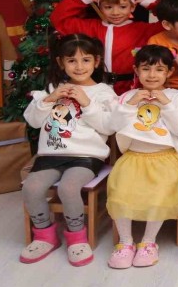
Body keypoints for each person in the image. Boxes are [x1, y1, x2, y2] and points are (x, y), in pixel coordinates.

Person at [21, 33, 116, 266]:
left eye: (86, 60)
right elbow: (33, 121)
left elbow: (108, 126)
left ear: (96, 61)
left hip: (85, 156)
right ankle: (45, 236)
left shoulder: (104, 92)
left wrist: (87, 103)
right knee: (32, 187)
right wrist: (49, 99)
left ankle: (77, 238)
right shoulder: (53, 88)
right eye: (72, 60)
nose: (79, 66)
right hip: (51, 154)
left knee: (68, 187)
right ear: (61, 63)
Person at [106, 45, 178, 269]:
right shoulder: (128, 96)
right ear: (136, 70)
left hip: (166, 159)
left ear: (169, 72)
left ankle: (148, 242)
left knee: (159, 194)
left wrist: (165, 103)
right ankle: (125, 242)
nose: (152, 75)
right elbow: (113, 125)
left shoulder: (175, 97)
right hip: (133, 158)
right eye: (146, 69)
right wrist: (132, 103)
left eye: (159, 69)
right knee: (120, 193)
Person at [51, 0, 162, 94]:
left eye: (122, 7)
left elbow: (170, 24)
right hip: (94, 87)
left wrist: (154, 5)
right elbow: (58, 20)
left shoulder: (142, 29)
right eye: (108, 7)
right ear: (100, 7)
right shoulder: (89, 27)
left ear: (132, 7)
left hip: (132, 89)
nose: (115, 12)